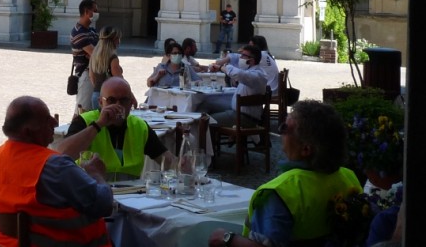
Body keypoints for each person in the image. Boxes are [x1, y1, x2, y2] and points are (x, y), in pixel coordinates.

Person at [208, 100, 362, 247]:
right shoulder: (349, 178)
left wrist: (227, 238)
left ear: (306, 149)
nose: (280, 133)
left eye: (284, 128)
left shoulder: (279, 193)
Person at [0, 96, 113, 247]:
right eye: (46, 120)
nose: (54, 123)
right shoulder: (55, 167)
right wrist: (96, 174)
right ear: (28, 132)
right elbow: (104, 205)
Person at [55, 77, 173, 180]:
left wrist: (182, 165)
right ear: (100, 102)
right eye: (111, 100)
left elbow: (167, 160)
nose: (118, 105)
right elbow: (61, 155)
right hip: (91, 193)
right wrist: (98, 125)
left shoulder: (139, 126)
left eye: (124, 100)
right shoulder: (85, 121)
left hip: (131, 195)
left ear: (131, 103)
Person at [205, 43, 267, 126]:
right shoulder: (249, 70)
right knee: (207, 105)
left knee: (206, 121)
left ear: (252, 60)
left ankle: (206, 137)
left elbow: (238, 74)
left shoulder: (258, 74)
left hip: (245, 117)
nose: (240, 58)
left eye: (243, 56)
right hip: (236, 111)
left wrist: (220, 67)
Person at [70, 0, 99, 115]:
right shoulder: (78, 32)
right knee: (82, 112)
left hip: (95, 73)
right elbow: (96, 54)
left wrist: (95, 53)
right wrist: (95, 53)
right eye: (95, 10)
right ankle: (74, 133)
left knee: (92, 111)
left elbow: (98, 51)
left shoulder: (91, 30)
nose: (97, 13)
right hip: (85, 75)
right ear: (87, 12)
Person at [88, 25, 123, 110]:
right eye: (118, 38)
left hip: (96, 95)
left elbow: (91, 77)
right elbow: (119, 82)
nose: (119, 41)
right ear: (113, 40)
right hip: (109, 98)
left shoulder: (94, 55)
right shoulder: (113, 58)